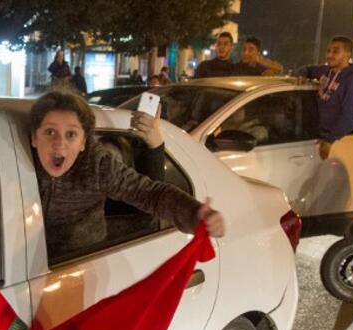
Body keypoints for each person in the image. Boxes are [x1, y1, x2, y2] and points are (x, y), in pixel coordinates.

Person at [28, 91, 224, 259]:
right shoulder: (13, 160)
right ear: (34, 138)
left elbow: (150, 193)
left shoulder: (97, 165)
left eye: (71, 134)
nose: (59, 143)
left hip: (81, 263)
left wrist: (195, 215)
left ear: (83, 143)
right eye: (50, 132)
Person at [297, 36, 353, 159]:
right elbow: (307, 69)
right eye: (328, 51)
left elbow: (350, 116)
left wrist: (330, 140)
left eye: (335, 51)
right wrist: (301, 74)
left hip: (335, 143)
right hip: (315, 136)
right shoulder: (326, 70)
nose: (329, 55)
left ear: (348, 55)